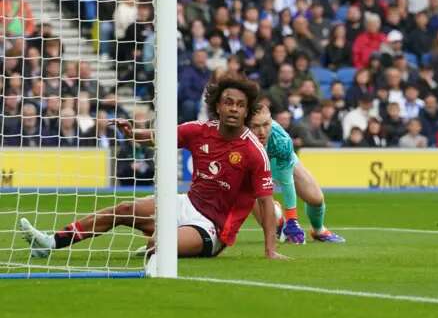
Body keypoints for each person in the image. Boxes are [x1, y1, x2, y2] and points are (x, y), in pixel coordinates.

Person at [19, 76, 287, 260]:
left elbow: (264, 202)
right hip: (185, 205)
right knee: (123, 210)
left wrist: (270, 250)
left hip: (211, 228)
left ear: (247, 111)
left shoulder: (253, 151)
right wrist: (133, 132)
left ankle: (161, 241)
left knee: (157, 246)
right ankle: (51, 242)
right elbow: (157, 137)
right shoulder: (199, 130)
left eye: (240, 105)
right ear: (217, 105)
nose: (233, 109)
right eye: (228, 102)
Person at [248, 97, 345, 244]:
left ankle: (318, 230)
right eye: (255, 126)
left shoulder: (282, 141)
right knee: (266, 216)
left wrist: (293, 220)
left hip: (279, 161)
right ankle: (278, 221)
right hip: (253, 169)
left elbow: (286, 182)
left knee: (316, 199)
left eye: (266, 124)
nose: (262, 131)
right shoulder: (237, 139)